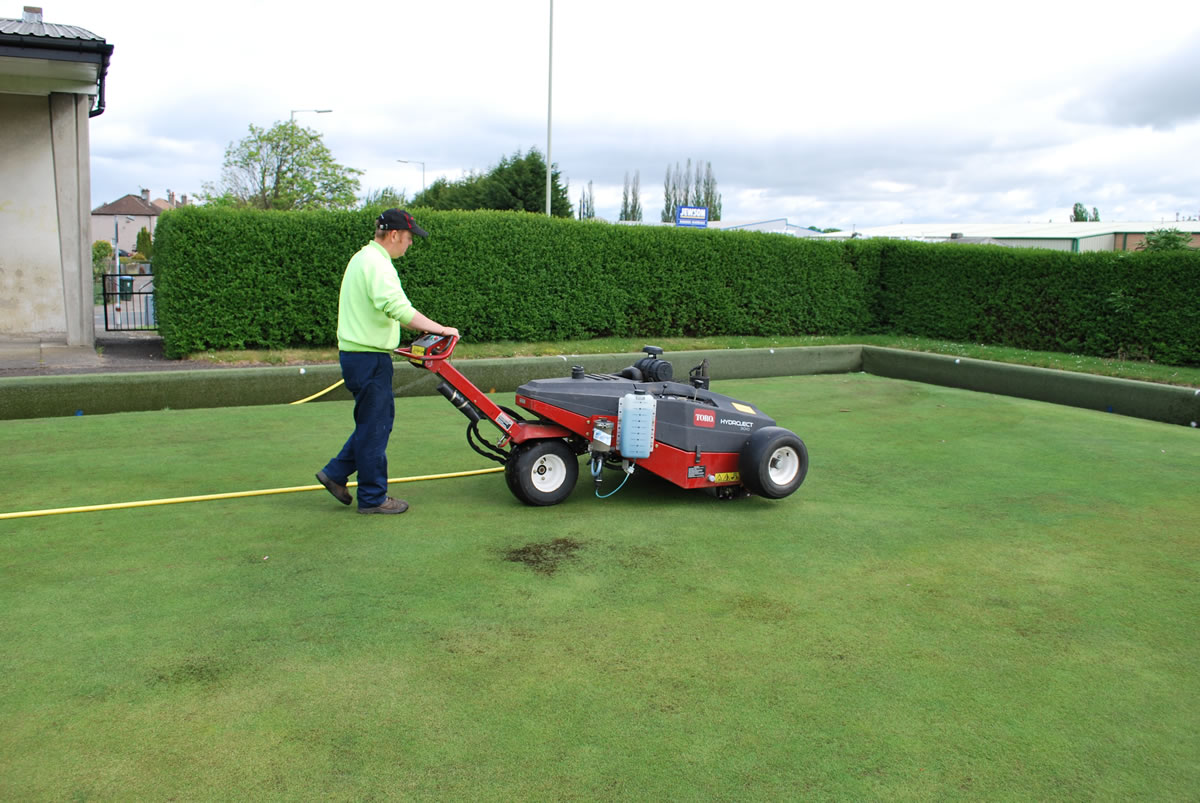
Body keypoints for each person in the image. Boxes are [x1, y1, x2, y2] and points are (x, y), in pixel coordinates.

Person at [316, 209, 459, 514]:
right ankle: (372, 498)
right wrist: (440, 329)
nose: (410, 245)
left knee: (372, 423)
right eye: (409, 238)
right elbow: (398, 308)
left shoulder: (361, 258)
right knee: (376, 427)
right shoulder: (378, 264)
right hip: (369, 358)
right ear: (394, 235)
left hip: (357, 355)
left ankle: (335, 473)